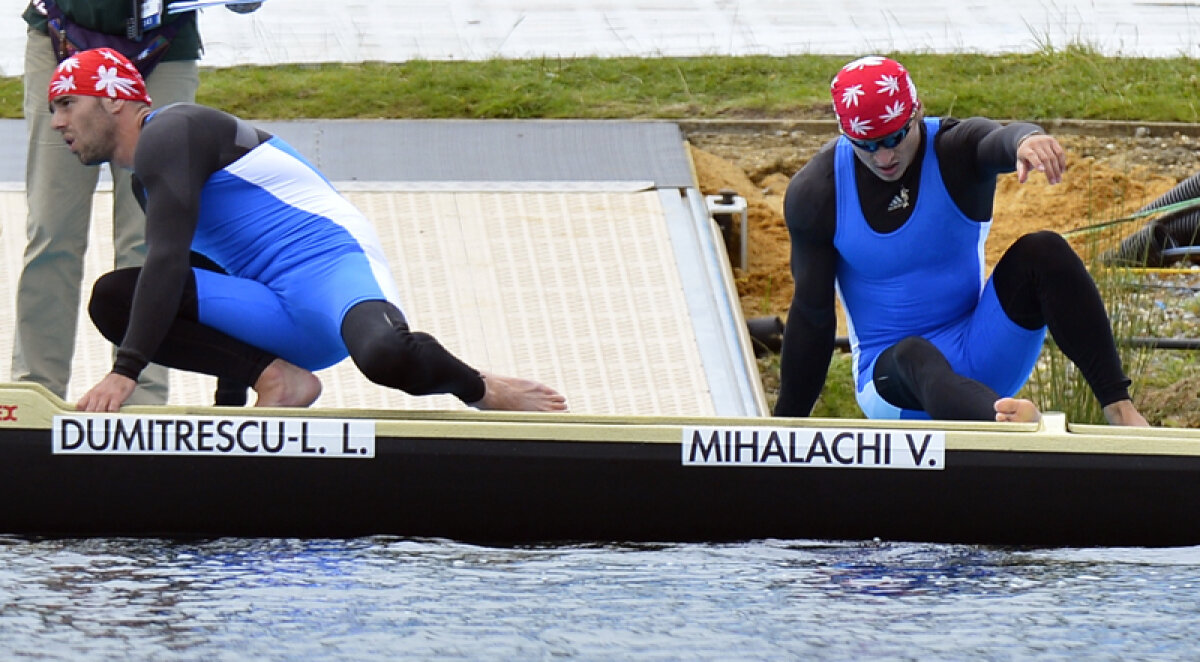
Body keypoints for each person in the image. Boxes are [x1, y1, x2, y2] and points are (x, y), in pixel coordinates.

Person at [46, 48, 568, 414]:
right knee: (116, 297)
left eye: (67, 104)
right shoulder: (147, 181)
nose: (56, 123)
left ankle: (480, 387)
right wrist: (233, 406)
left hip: (330, 267)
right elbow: (197, 279)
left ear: (113, 99)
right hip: (269, 309)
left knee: (386, 356)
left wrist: (126, 372)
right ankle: (282, 380)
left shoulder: (174, 130)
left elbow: (165, 265)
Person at [774, 56, 1148, 426]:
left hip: (980, 351)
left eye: (894, 138)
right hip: (892, 380)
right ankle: (1007, 424)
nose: (884, 157)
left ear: (916, 112)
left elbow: (997, 138)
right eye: (866, 144)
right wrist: (780, 432)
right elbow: (812, 317)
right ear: (845, 133)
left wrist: (1027, 140)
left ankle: (1122, 411)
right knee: (914, 354)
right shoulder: (818, 192)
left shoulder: (953, 151)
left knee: (1044, 250)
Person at [16, 0, 260, 406]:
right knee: (51, 229)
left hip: (160, 45)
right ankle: (34, 390)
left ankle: (141, 395)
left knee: (148, 239)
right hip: (60, 35)